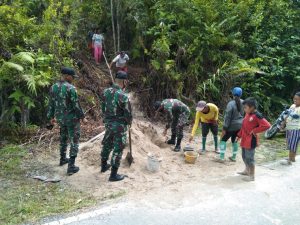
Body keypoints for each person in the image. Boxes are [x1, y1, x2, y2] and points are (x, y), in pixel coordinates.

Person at [47, 67, 87, 175]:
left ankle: (63, 159)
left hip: (60, 119)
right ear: (67, 76)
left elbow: (51, 104)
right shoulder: (71, 88)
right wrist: (83, 117)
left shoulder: (53, 87)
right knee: (74, 140)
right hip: (72, 119)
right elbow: (76, 105)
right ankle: (71, 166)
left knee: (63, 138)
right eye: (72, 77)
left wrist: (50, 117)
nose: (73, 79)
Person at [100, 71, 132, 182]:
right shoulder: (123, 95)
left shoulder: (105, 92)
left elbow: (103, 108)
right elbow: (128, 113)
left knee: (107, 143)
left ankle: (103, 165)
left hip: (108, 124)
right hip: (119, 126)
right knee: (118, 148)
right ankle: (113, 175)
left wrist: (106, 119)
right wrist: (129, 122)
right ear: (125, 81)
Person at [237, 98, 270, 182]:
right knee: (244, 156)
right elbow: (244, 126)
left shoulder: (257, 115)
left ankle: (252, 176)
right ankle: (247, 170)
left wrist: (255, 131)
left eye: (245, 107)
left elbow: (267, 125)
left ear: (252, 107)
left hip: (251, 140)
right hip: (244, 138)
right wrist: (239, 135)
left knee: (250, 158)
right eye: (243, 107)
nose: (244, 109)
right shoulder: (247, 114)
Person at [215, 87, 244, 163]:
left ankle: (221, 157)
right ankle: (234, 157)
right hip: (240, 125)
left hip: (231, 126)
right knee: (234, 141)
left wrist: (225, 128)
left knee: (223, 140)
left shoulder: (230, 104)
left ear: (233, 94)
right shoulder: (244, 103)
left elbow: (228, 117)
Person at [281, 92, 300, 165]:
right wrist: (283, 123)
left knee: (293, 144)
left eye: (297, 99)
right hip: (289, 128)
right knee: (289, 143)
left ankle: (291, 159)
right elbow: (287, 115)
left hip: (296, 129)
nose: (295, 100)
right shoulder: (292, 106)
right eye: (294, 98)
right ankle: (291, 158)